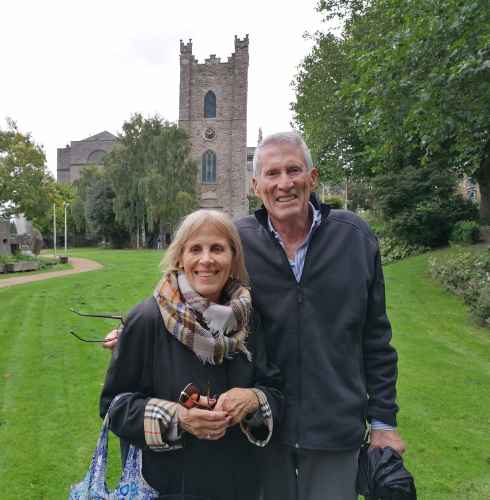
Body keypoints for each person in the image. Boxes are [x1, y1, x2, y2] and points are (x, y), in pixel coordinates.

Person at [233, 131, 405, 500]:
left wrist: (384, 423)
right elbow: (189, 294)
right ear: (255, 185)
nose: (284, 184)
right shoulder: (237, 241)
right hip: (261, 427)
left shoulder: (354, 237)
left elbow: (376, 339)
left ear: (313, 178)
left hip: (336, 429)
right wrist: (140, 329)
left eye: (293, 170)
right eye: (272, 173)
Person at [100, 209, 283, 500]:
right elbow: (115, 407)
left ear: (233, 258)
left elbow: (274, 389)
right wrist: (178, 418)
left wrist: (252, 400)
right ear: (179, 258)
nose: (206, 260)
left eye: (217, 249)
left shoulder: (249, 319)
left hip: (239, 485)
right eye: (195, 249)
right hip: (168, 487)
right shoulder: (148, 318)